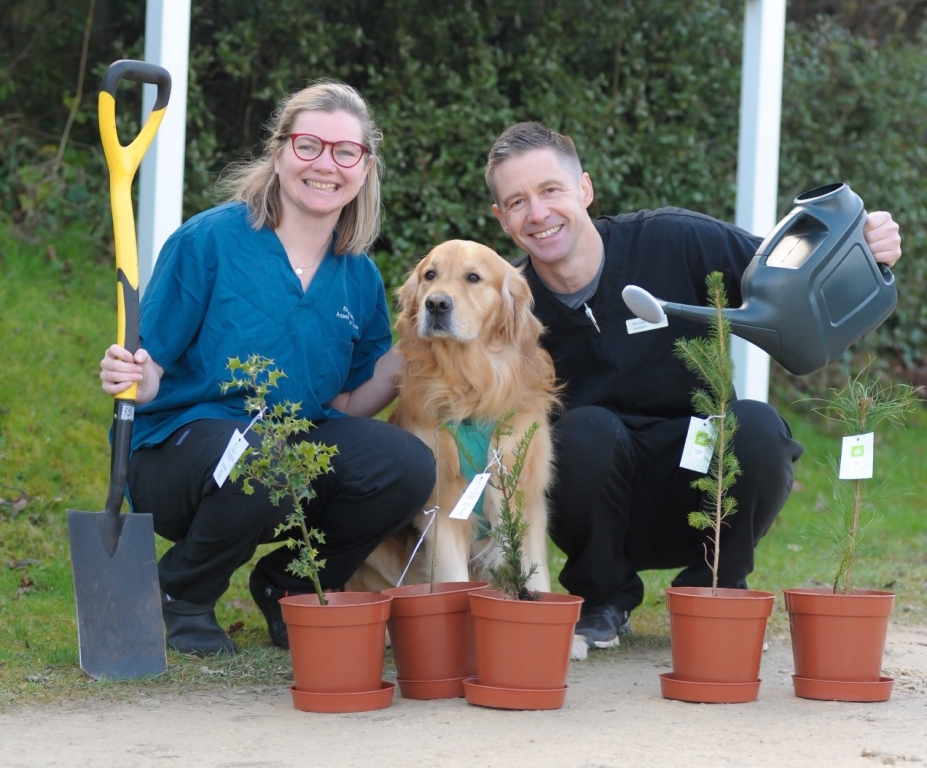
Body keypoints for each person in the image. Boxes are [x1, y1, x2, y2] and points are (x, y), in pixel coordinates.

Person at [484, 122, 902, 649]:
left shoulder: (672, 240)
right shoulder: (511, 310)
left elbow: (794, 273)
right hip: (595, 505)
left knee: (758, 427)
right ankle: (603, 599)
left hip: (708, 490)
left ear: (584, 189)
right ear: (501, 219)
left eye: (550, 191)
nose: (538, 214)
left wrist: (865, 247)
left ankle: (712, 589)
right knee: (582, 431)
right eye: (517, 202)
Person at [100, 81, 435, 656]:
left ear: (364, 167)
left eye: (344, 152)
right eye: (308, 145)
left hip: (286, 452)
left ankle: (293, 587)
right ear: (279, 152)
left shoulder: (359, 276)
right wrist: (133, 372)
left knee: (405, 463)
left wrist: (413, 354)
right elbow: (150, 372)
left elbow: (347, 406)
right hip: (175, 454)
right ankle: (180, 594)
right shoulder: (208, 241)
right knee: (268, 450)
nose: (325, 165)